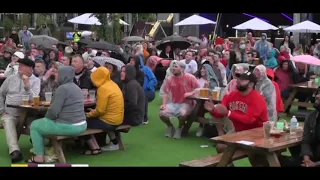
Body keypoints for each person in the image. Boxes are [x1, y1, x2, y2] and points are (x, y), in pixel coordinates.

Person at [27, 66, 87, 163]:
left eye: (58, 73)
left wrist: (46, 120)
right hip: (82, 124)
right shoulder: (77, 88)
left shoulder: (62, 89)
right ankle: (48, 149)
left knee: (35, 125)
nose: (56, 76)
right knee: (44, 123)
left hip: (70, 126)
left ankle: (39, 156)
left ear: (64, 75)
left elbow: (53, 111)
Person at [0, 58, 40, 163]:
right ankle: (15, 151)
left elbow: (34, 99)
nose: (19, 67)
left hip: (28, 114)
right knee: (7, 121)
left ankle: (42, 148)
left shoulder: (36, 81)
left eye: (22, 66)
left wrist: (27, 86)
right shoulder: (10, 78)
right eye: (19, 65)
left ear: (30, 68)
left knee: (36, 126)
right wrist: (2, 110)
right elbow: (1, 93)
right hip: (10, 112)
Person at [84, 67, 124, 153]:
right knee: (96, 119)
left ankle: (94, 148)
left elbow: (100, 111)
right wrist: (93, 111)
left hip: (109, 122)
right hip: (118, 119)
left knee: (83, 122)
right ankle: (114, 142)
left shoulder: (102, 89)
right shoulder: (113, 84)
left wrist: (88, 114)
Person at [159, 61, 200, 139]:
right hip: (174, 103)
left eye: (176, 67)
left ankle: (179, 127)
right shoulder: (170, 79)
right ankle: (170, 126)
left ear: (182, 69)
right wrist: (164, 104)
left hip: (187, 104)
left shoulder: (190, 77)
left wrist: (190, 93)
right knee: (162, 114)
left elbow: (199, 88)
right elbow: (165, 93)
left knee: (183, 113)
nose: (173, 68)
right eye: (173, 67)